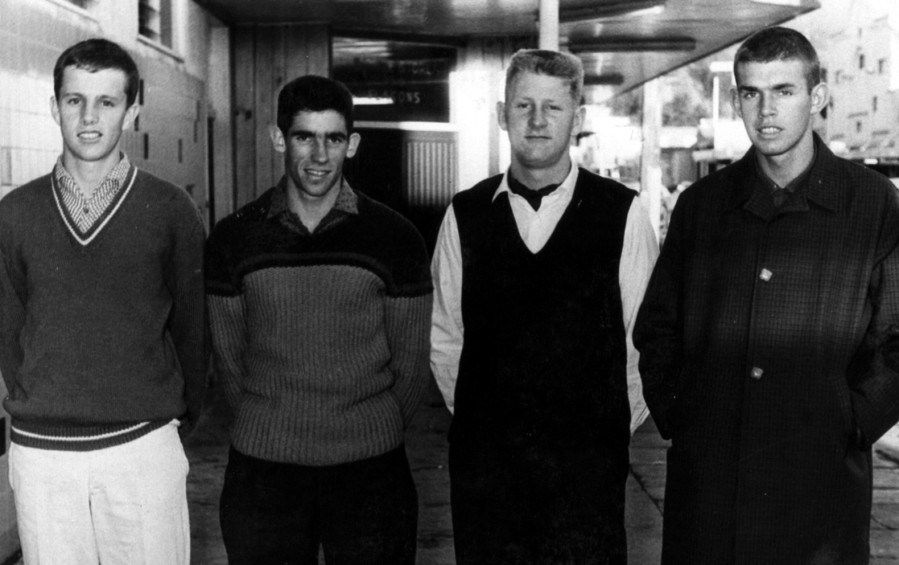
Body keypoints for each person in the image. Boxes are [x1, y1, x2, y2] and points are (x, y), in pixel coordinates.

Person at [634, 26, 899, 565]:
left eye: (784, 91)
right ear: (736, 101)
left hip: (820, 484)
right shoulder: (702, 206)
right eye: (751, 93)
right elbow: (658, 326)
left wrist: (851, 420)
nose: (766, 110)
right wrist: (683, 413)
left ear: (817, 97)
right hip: (710, 485)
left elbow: (896, 339)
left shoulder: (873, 204)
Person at [431, 49, 658, 564]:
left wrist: (598, 433)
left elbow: (642, 344)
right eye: (523, 105)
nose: (537, 121)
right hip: (488, 476)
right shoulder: (465, 214)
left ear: (577, 119)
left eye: (553, 108)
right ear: (502, 114)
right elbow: (445, 339)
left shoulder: (621, 213)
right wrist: (490, 426)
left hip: (586, 478)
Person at [206, 75, 432, 565]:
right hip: (264, 474)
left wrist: (369, 429)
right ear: (278, 139)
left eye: (333, 138)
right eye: (304, 137)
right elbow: (229, 363)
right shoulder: (233, 239)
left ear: (352, 144)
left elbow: (412, 368)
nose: (320, 155)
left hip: (372, 473)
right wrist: (273, 425)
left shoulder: (395, 238)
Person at [0, 38, 206, 565]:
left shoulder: (170, 209)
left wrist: (165, 412)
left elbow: (192, 330)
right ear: (55, 107)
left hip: (142, 448)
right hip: (44, 455)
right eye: (75, 100)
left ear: (132, 111)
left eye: (107, 102)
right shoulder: (14, 213)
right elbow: (9, 334)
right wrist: (51, 397)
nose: (89, 117)